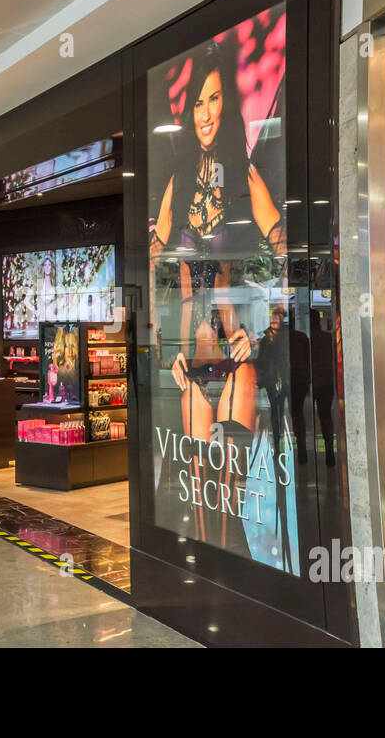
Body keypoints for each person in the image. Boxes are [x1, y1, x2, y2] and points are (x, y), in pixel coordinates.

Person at [150, 41, 285, 555]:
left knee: (229, 485)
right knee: (201, 491)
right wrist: (165, 347)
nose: (205, 114)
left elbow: (285, 249)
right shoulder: (176, 186)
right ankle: (210, 588)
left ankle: (243, 585)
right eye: (197, 104)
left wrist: (270, 324)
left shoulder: (244, 177)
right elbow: (156, 263)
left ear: (227, 103)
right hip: (192, 362)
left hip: (235, 357)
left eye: (214, 100)